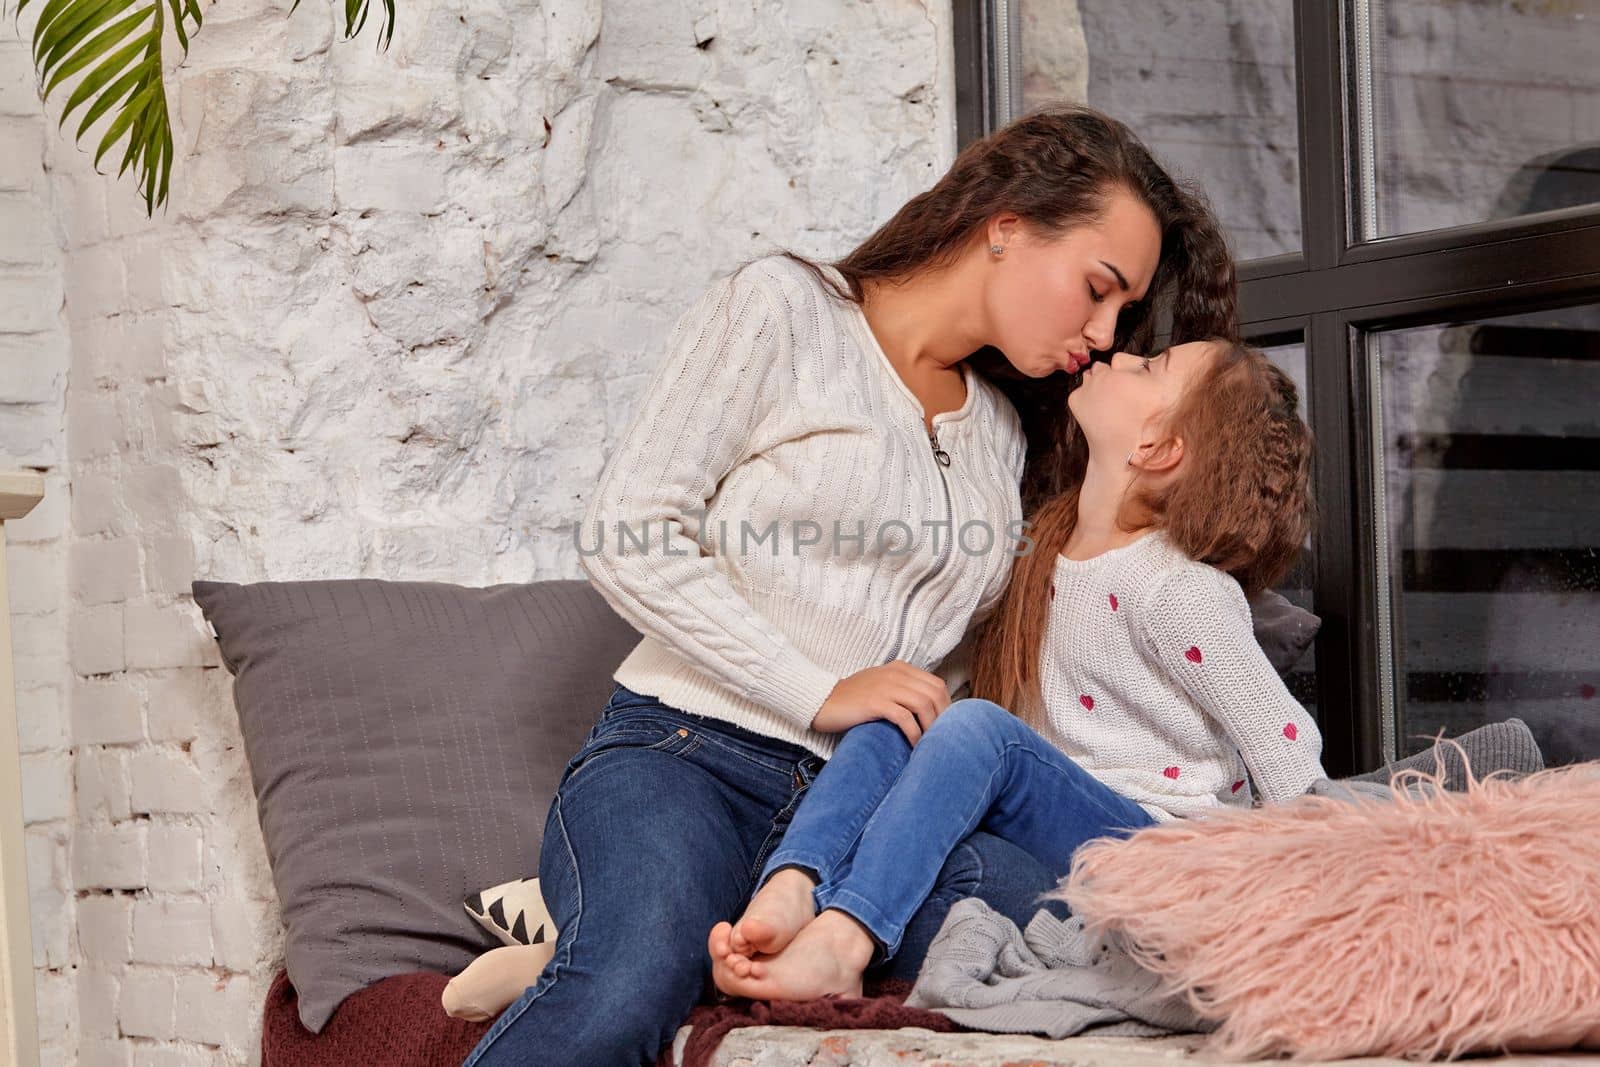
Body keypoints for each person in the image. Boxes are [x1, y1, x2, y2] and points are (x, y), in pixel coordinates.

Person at [461, 104, 1237, 1067]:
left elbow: (963, 680)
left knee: (1059, 920)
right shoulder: (785, 310)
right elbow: (629, 533)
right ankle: (622, 921)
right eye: (1097, 287)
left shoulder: (1001, 432)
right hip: (686, 755)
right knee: (626, 982)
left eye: (1124, 313)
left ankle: (673, 918)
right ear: (1005, 225)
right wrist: (818, 689)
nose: (1104, 328)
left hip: (855, 813)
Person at [709, 339, 1325, 1001]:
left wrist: (1302, 912)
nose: (1120, 357)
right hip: (1061, 845)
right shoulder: (1043, 551)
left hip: (1158, 860)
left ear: (1157, 448)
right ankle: (794, 884)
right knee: (896, 708)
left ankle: (844, 940)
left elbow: (1284, 743)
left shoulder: (1180, 590)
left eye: (1148, 369)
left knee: (980, 730)